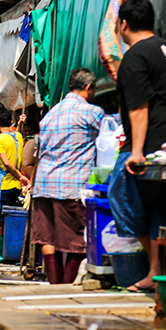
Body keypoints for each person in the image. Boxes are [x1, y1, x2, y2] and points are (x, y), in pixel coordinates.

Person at [107, 0, 166, 291]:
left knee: (119, 194)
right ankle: (156, 270)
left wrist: (137, 150)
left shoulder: (135, 56)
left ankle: (156, 266)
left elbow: (138, 107)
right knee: (158, 206)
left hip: (149, 144)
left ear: (124, 23)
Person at [32, 68, 105, 284]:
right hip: (71, 185)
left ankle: (54, 284)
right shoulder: (92, 112)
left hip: (44, 184)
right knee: (76, 239)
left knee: (48, 236)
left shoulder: (51, 113)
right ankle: (64, 285)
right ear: (89, 88)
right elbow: (111, 135)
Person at [0, 108, 31, 223]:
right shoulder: (18, 136)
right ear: (10, 122)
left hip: (5, 184)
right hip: (17, 187)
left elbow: (6, 163)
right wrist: (18, 124)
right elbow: (14, 135)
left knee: (3, 219)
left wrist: (20, 176)